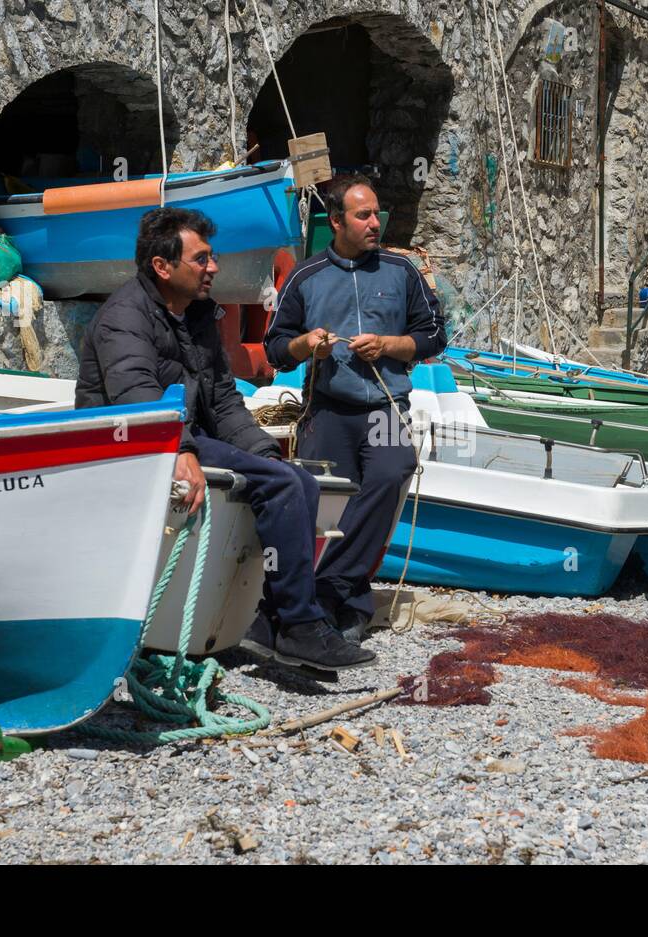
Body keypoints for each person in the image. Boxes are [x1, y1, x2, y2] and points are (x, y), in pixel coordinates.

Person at [74, 206, 375, 672]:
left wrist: (266, 454)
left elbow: (223, 402)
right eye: (201, 259)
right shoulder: (125, 319)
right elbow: (140, 403)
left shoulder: (196, 316)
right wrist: (181, 452)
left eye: (211, 257)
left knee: (299, 482)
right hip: (130, 444)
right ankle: (298, 625)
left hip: (180, 434)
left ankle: (271, 619)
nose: (213, 267)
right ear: (162, 266)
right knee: (278, 485)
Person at [264, 175, 447, 643]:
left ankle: (330, 586)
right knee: (325, 506)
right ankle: (344, 606)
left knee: (394, 469)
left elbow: (434, 337)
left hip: (385, 406)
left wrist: (389, 344)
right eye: (363, 215)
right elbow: (276, 349)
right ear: (336, 222)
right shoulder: (306, 277)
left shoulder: (401, 271)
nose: (374, 223)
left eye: (377, 213)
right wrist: (307, 344)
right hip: (328, 409)